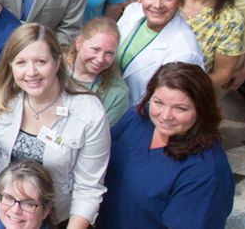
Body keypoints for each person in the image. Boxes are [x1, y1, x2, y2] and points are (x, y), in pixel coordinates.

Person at [0, 23, 109, 229]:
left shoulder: (89, 112)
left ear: (57, 62)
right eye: (21, 62)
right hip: (9, 214)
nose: (31, 72)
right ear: (10, 65)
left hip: (58, 219)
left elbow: (88, 189)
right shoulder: (4, 99)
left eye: (41, 61)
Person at [98, 62, 234, 228]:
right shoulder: (136, 120)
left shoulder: (206, 170)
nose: (165, 115)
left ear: (202, 109)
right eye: (158, 102)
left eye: (180, 108)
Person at [115, 0, 204, 105]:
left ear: (180, 0)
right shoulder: (132, 12)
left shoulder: (185, 52)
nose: (157, 5)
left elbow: (174, 104)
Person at [66, 18, 129, 124]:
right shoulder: (55, 69)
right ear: (79, 43)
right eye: (95, 49)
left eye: (109, 53)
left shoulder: (117, 93)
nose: (100, 59)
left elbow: (100, 136)